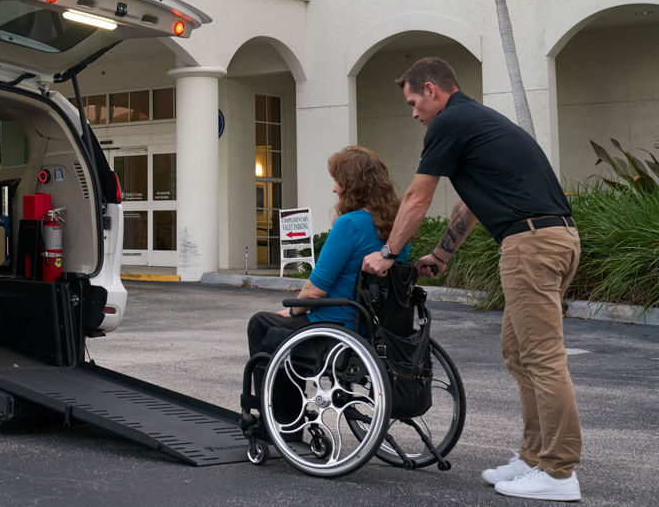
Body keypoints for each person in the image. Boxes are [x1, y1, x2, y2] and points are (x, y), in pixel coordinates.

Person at [361, 56, 581, 502]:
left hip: (532, 243)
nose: (413, 113)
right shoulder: (475, 121)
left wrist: (387, 253)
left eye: (412, 102)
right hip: (550, 236)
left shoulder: (449, 122)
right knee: (518, 352)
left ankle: (559, 473)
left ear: (431, 90)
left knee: (541, 357)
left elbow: (418, 195)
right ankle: (535, 457)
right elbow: (474, 201)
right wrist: (442, 252)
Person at [246, 145, 407, 358]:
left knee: (261, 323)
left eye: (337, 181)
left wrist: (293, 310)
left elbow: (315, 290)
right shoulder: (398, 230)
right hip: (381, 328)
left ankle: (273, 393)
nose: (334, 189)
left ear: (352, 186)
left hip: (339, 326)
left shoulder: (349, 224)